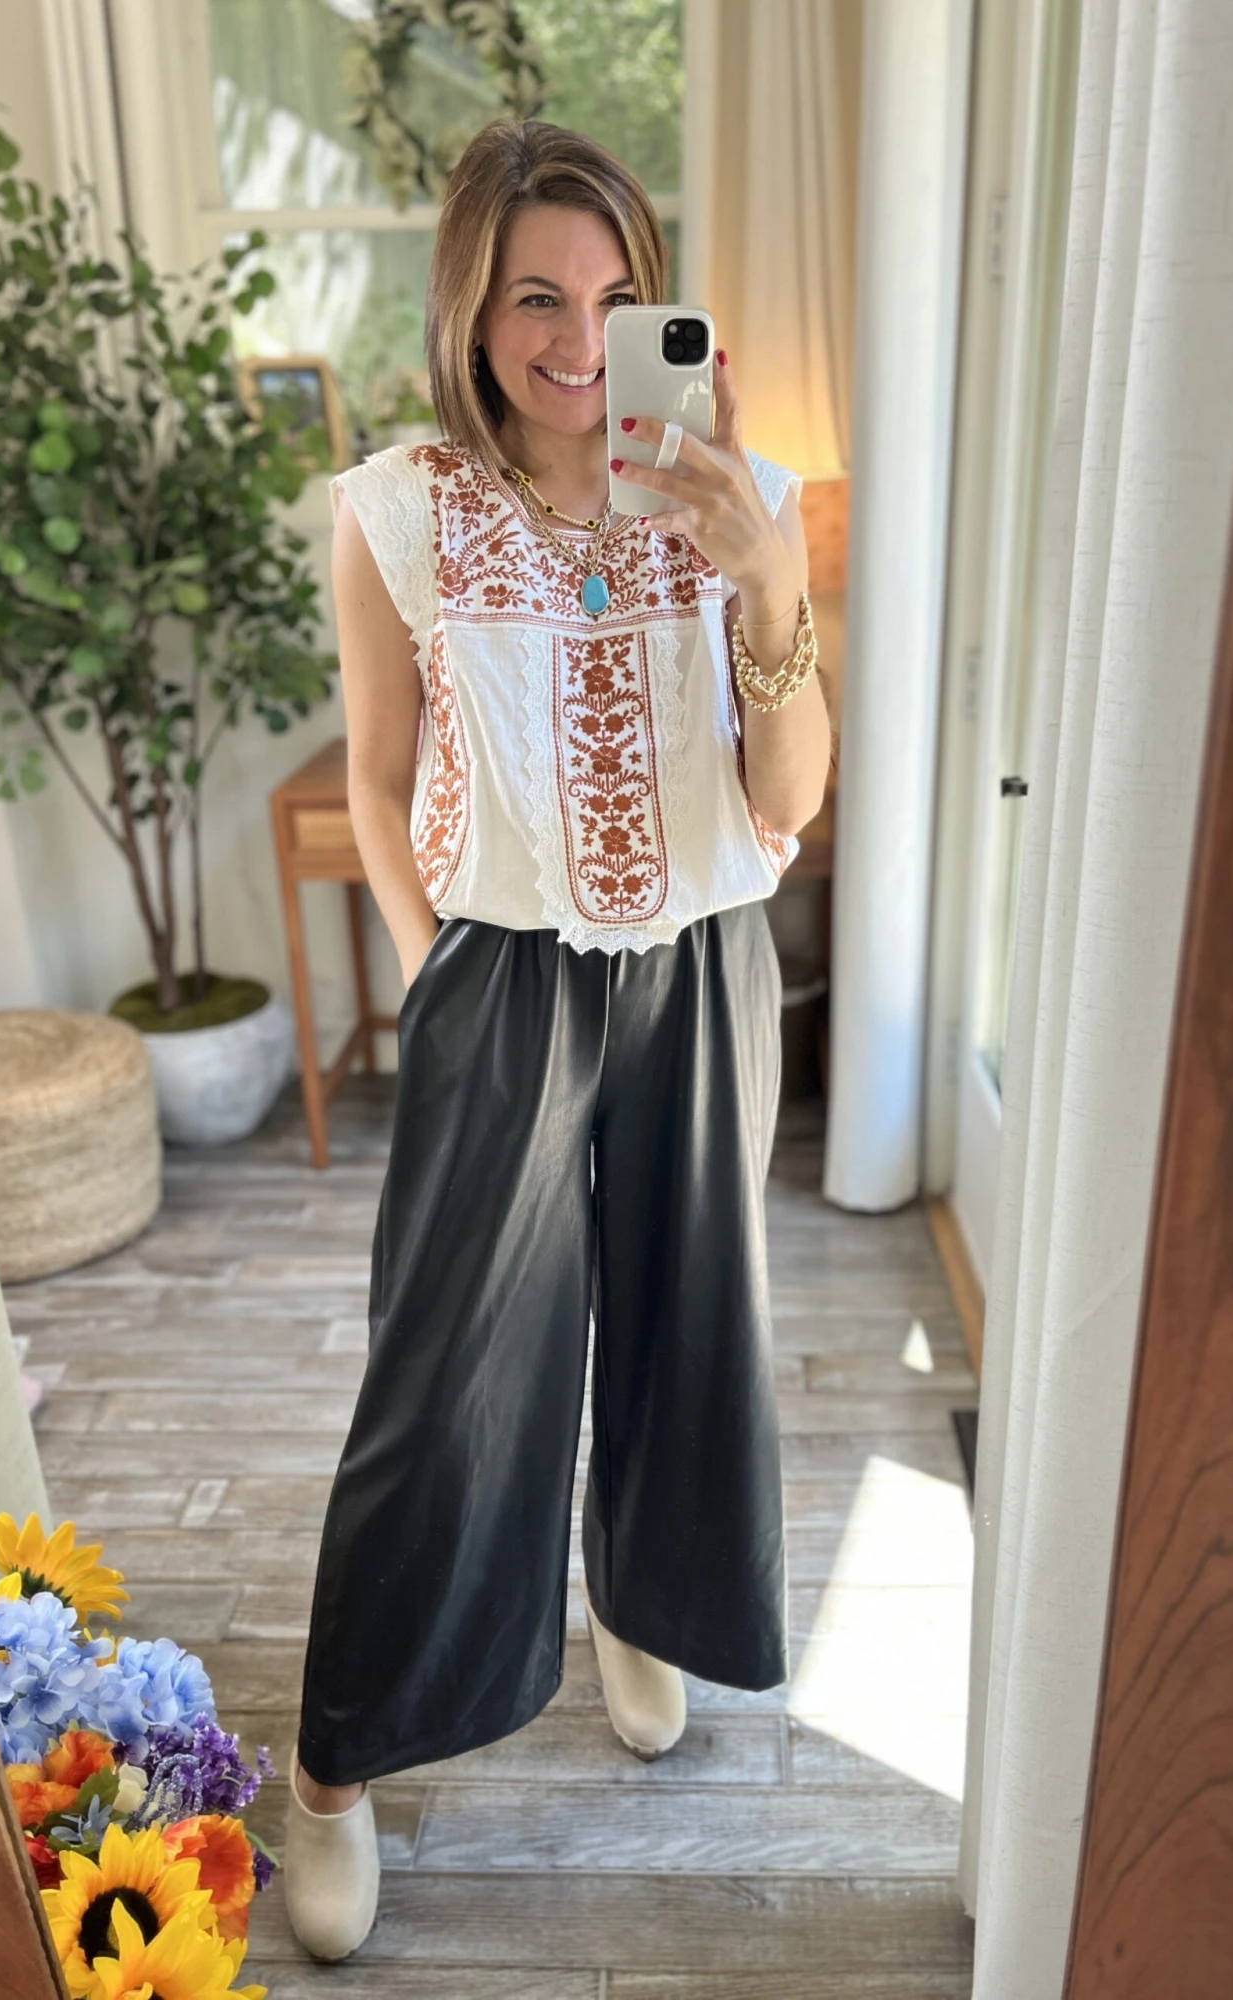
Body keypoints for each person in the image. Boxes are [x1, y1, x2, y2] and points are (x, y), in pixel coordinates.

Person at [283, 117, 832, 1962]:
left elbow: (788, 801)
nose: (579, 339)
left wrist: (764, 579)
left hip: (703, 966)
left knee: (690, 1328)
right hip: (500, 978)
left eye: (613, 295)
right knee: (445, 1379)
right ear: (472, 303)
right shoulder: (400, 508)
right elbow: (375, 780)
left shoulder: (740, 495)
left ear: (658, 300)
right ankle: (333, 1768)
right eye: (535, 296)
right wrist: (438, 965)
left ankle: (644, 1606)